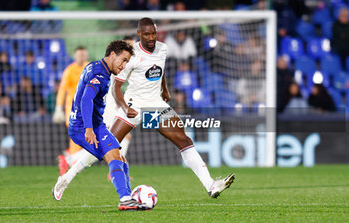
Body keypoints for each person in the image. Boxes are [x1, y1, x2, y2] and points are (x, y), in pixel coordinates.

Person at [55, 18, 235, 200]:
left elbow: (160, 69)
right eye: (147, 34)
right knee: (106, 146)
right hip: (133, 105)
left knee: (183, 139)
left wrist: (165, 89)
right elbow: (116, 87)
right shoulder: (131, 56)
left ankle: (210, 185)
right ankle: (68, 176)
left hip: (155, 106)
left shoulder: (162, 49)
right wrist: (125, 107)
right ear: (139, 35)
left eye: (154, 34)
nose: (151, 38)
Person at [52, 40, 147, 211]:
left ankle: (126, 198)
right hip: (83, 126)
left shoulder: (96, 67)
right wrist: (88, 128)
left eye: (127, 61)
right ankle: (126, 198)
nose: (124, 65)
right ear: (112, 55)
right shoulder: (100, 75)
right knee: (114, 157)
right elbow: (86, 99)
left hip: (95, 123)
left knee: (118, 158)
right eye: (123, 60)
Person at [52, 46, 92, 175]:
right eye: (79, 55)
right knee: (76, 134)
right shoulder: (69, 70)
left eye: (83, 54)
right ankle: (73, 161)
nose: (81, 57)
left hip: (87, 106)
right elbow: (62, 90)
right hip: (72, 108)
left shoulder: (90, 68)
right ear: (75, 56)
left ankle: (69, 158)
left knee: (86, 134)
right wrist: (58, 108)